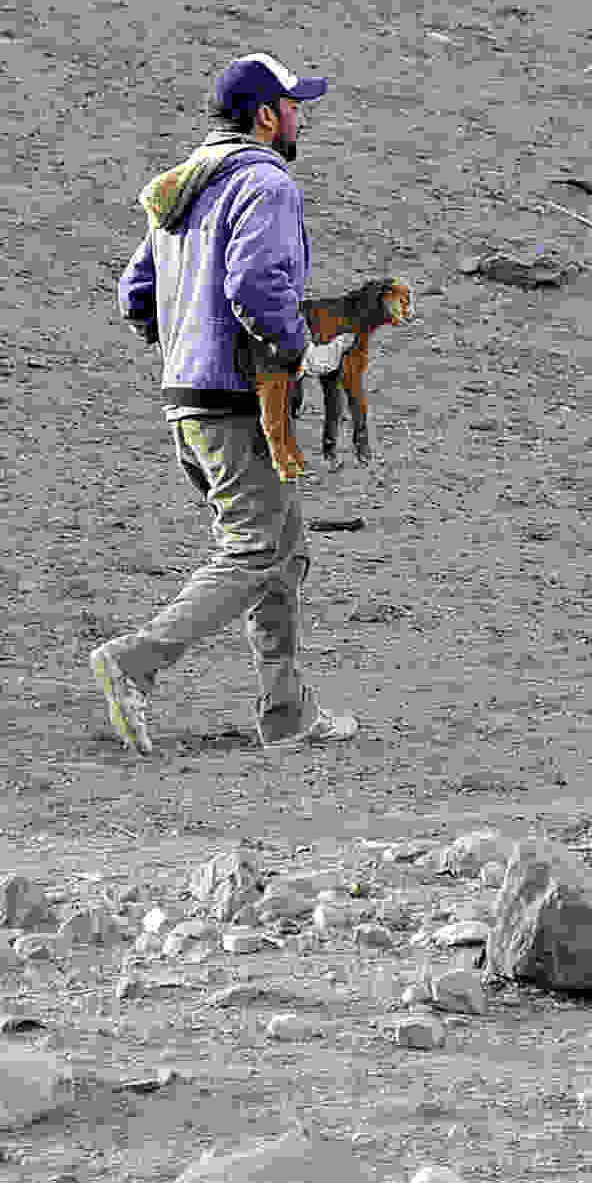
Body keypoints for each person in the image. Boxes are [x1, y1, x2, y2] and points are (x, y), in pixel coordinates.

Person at [94, 53, 362, 755]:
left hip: (187, 399)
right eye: (294, 105)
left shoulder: (181, 185)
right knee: (253, 550)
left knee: (283, 552)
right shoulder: (265, 183)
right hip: (240, 401)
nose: (301, 118)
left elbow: (135, 294)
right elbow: (255, 285)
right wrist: (299, 350)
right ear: (266, 115)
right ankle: (135, 661)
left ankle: (285, 713)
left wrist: (186, 344)